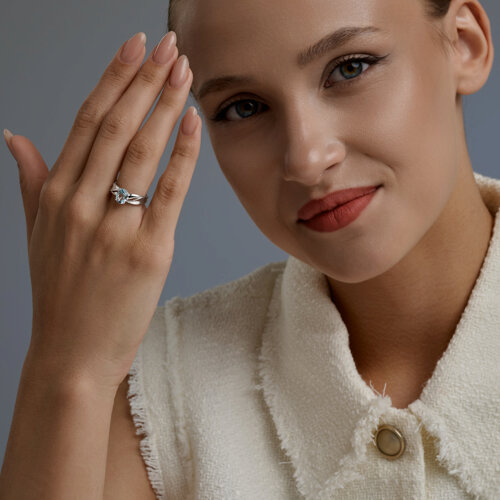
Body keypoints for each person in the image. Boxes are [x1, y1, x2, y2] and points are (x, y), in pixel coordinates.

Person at [1, 0, 499, 498]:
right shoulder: (159, 390)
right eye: (244, 107)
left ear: (466, 44)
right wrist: (68, 366)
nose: (305, 159)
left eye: (350, 68)